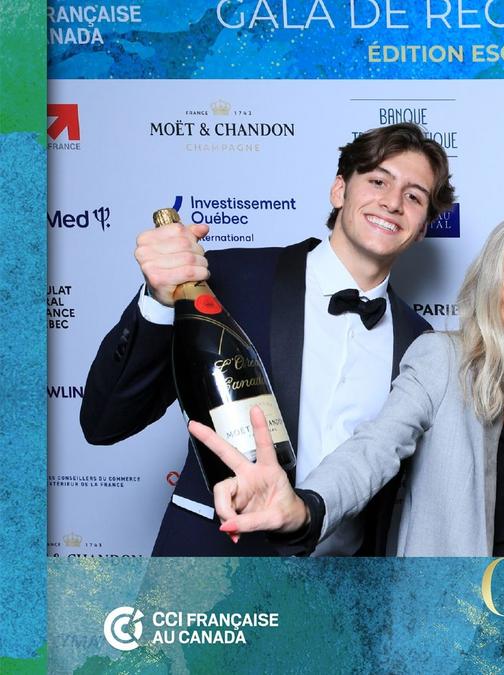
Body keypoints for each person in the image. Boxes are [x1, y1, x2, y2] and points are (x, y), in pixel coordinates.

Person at [80, 123, 454, 556]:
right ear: (339, 191)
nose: (392, 202)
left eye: (414, 196)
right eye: (377, 181)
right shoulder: (229, 278)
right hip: (212, 567)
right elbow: (106, 421)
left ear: (422, 228)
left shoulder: (421, 343)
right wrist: (161, 302)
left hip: (340, 587)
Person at [188, 213, 504, 556]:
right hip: (453, 607)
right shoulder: (443, 359)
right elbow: (376, 446)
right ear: (491, 284)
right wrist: (307, 506)